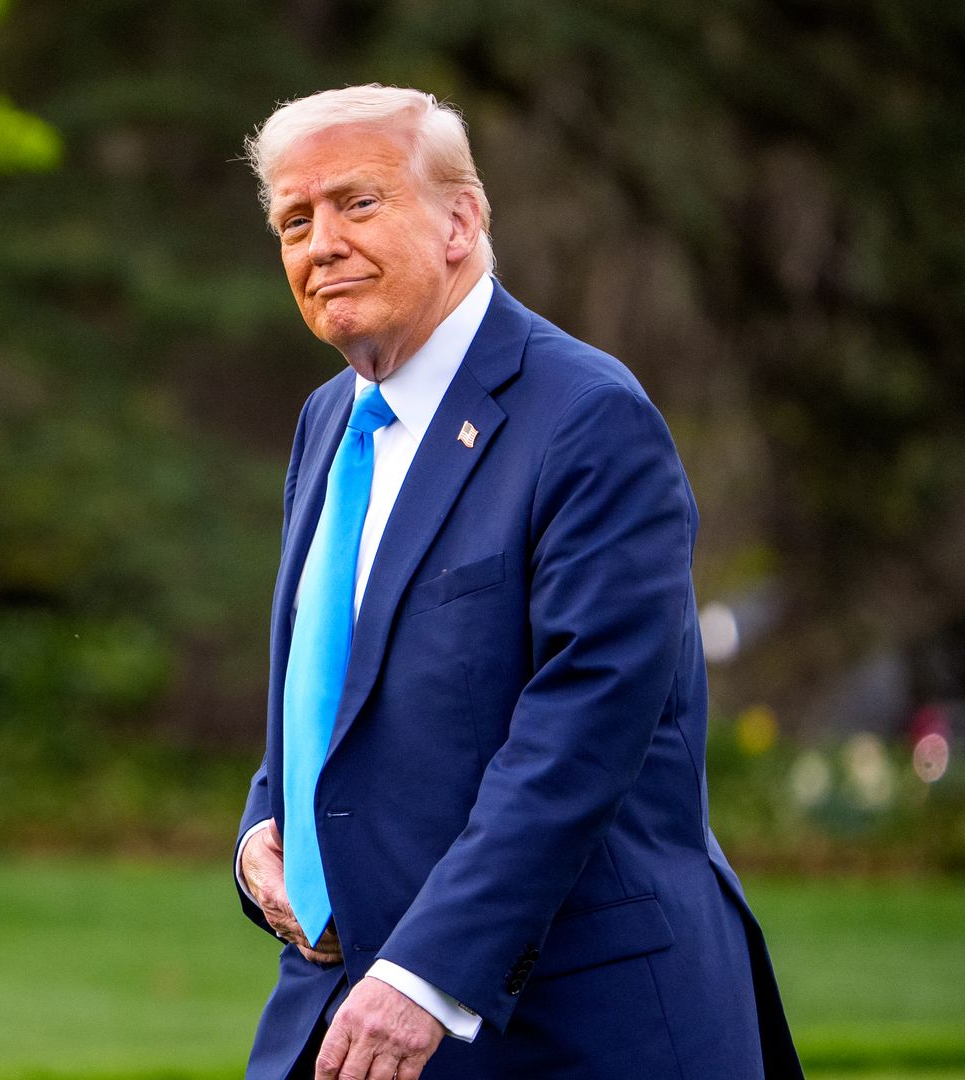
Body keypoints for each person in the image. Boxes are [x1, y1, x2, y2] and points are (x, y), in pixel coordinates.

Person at [229, 85, 803, 1080]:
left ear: (462, 220)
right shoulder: (329, 421)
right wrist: (262, 833)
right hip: (340, 1009)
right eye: (294, 218)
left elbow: (582, 729)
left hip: (574, 1025)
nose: (320, 242)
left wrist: (425, 973)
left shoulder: (589, 419)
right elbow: (330, 688)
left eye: (357, 204)